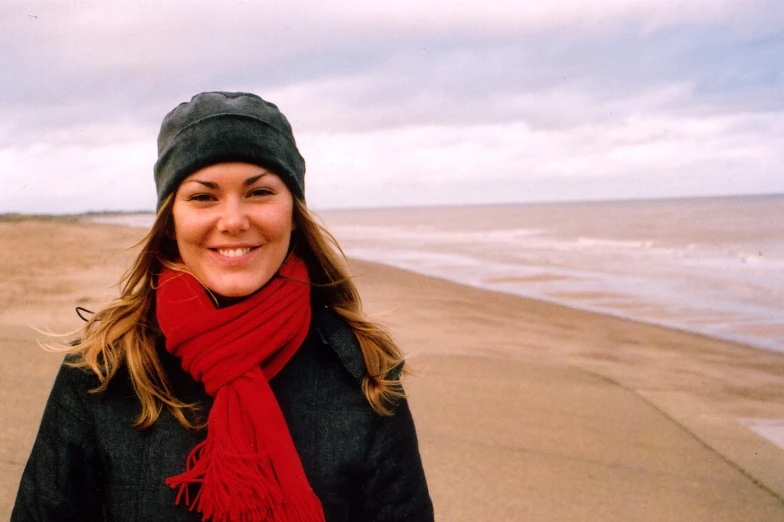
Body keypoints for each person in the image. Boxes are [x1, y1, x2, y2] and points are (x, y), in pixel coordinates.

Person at [12, 92, 434, 522]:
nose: (233, 221)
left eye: (260, 192)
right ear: (170, 221)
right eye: (203, 197)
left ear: (293, 213)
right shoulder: (105, 365)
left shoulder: (361, 366)